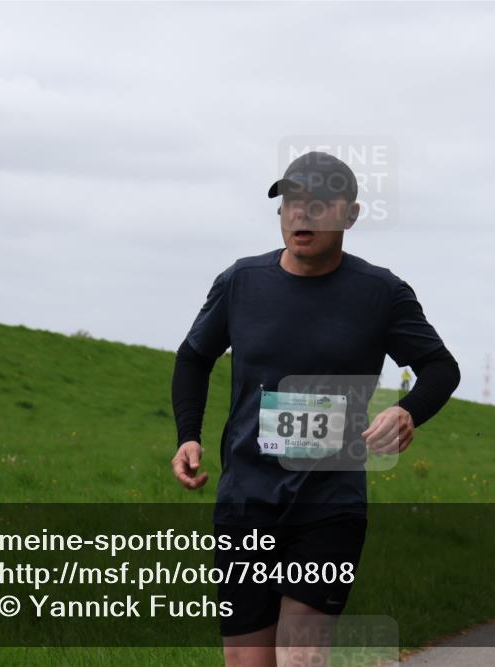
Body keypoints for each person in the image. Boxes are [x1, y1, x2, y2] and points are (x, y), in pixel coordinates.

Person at [170, 151, 461, 667]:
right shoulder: (241, 282)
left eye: (319, 204)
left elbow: (441, 368)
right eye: (291, 202)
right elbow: (193, 358)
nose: (301, 213)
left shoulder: (381, 294)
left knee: (301, 656)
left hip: (329, 504)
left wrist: (408, 411)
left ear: (350, 216)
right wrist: (188, 435)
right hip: (245, 503)